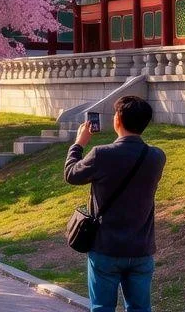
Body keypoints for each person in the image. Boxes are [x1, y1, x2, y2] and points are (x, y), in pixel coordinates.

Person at [65, 96, 167, 312]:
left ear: (117, 120)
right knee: (140, 308)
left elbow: (71, 174)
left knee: (102, 307)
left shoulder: (102, 154)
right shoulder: (157, 156)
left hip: (105, 247)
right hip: (141, 248)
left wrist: (78, 144)